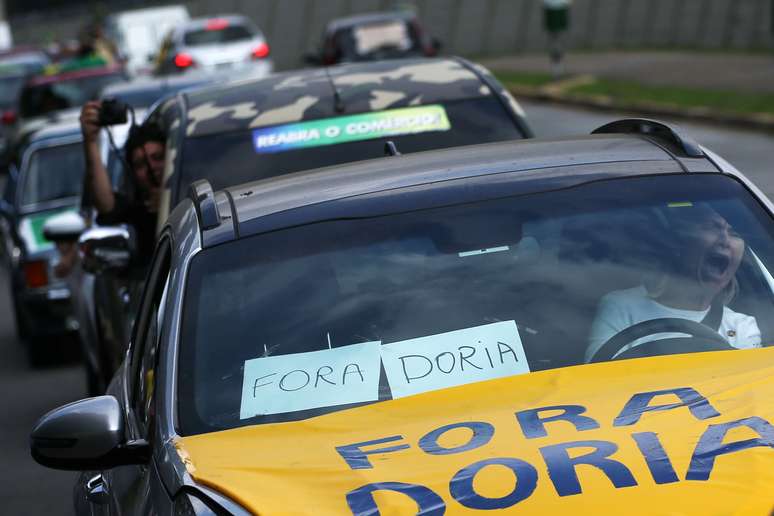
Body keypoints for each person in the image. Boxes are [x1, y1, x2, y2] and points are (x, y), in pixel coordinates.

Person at [585, 203, 761, 362]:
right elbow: (600, 382)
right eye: (711, 227)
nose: (724, 241)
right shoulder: (621, 307)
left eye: (734, 233)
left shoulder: (742, 327)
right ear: (681, 244)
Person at [80, 100, 165, 264]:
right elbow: (106, 205)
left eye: (158, 158)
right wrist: (90, 142)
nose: (152, 168)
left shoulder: (200, 198)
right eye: (140, 164)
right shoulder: (137, 211)